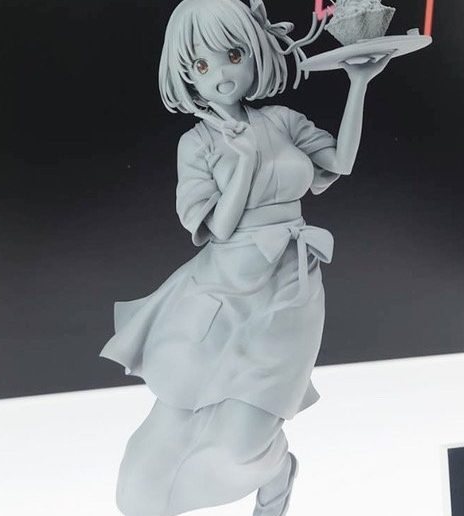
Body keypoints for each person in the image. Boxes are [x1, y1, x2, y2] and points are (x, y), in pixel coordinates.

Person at [100, 0, 391, 514]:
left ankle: (276, 470)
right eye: (202, 64)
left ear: (255, 52)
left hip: (291, 283)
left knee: (245, 433)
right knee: (180, 409)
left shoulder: (282, 120)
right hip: (219, 286)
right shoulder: (196, 143)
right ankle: (143, 498)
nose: (221, 75)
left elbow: (340, 162)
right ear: (186, 75)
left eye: (233, 55)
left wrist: (359, 84)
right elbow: (217, 226)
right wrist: (242, 164)